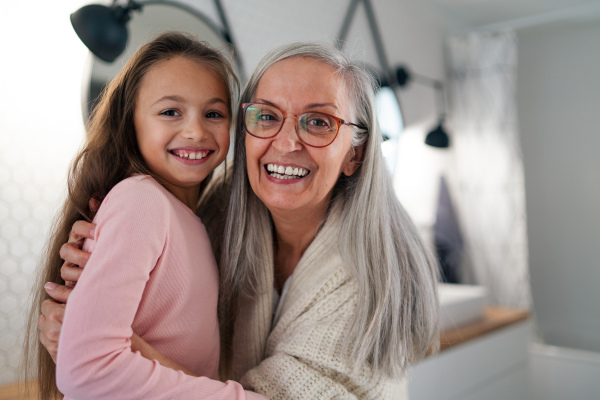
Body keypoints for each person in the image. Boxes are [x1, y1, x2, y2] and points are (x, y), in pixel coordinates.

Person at [38, 42, 440, 399]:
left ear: (356, 154)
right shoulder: (215, 214)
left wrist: (115, 353)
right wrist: (102, 248)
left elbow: (99, 362)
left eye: (318, 122)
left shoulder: (370, 276)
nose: (285, 143)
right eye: (267, 116)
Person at [24, 32, 266, 400]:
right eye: (171, 111)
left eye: (213, 113)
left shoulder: (191, 217)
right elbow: (87, 369)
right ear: (130, 121)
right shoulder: (142, 201)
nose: (195, 131)